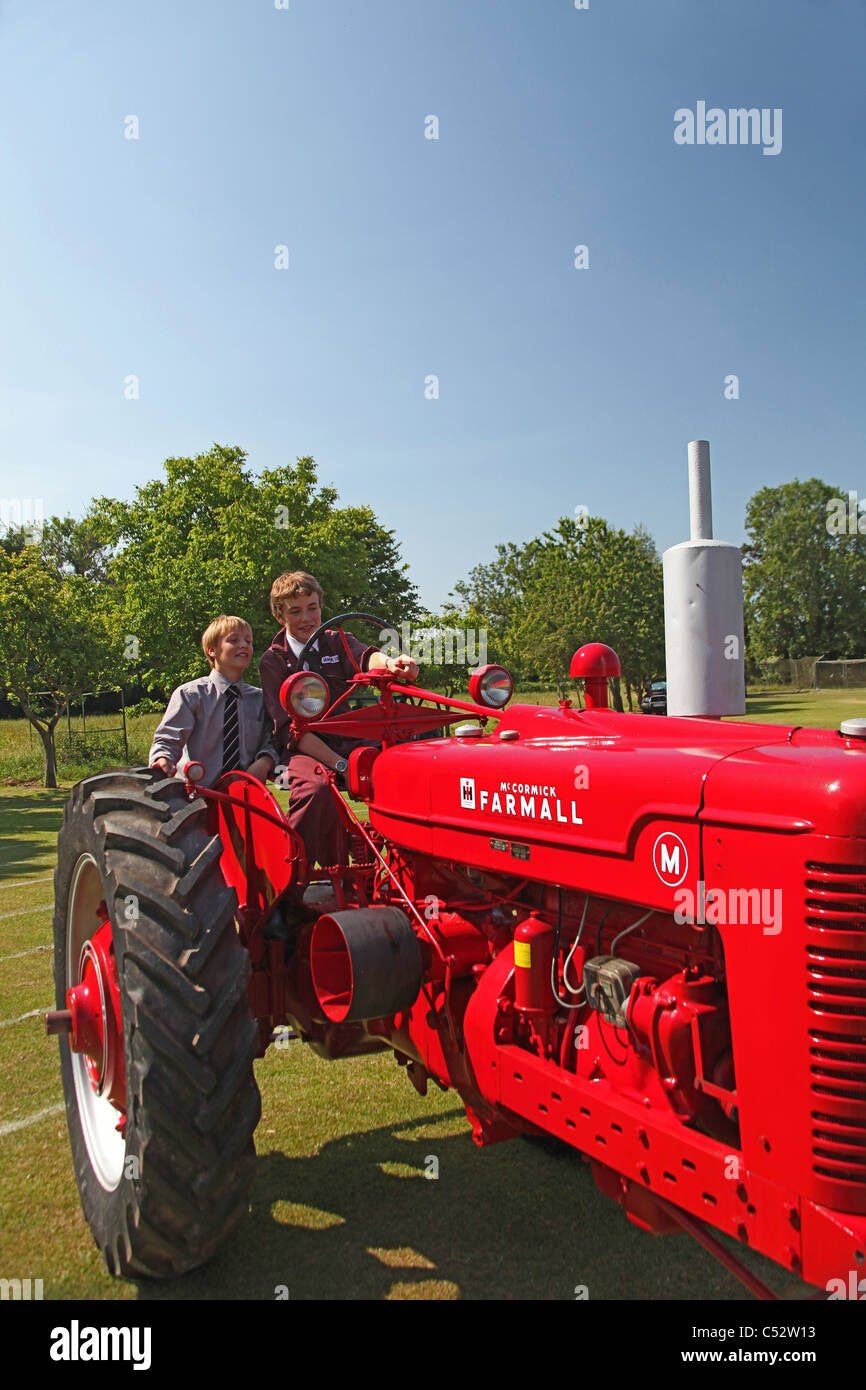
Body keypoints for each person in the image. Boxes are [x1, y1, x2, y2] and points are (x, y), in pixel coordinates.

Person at [259, 572, 417, 893]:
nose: (306, 618)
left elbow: (365, 657)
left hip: (345, 739)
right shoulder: (274, 661)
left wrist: (393, 662)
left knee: (410, 768)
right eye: (295, 611)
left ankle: (409, 872)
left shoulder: (333, 640)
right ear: (279, 615)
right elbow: (292, 731)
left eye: (312, 608)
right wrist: (341, 766)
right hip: (301, 749)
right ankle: (288, 884)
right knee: (316, 790)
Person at [149, 616, 277, 787]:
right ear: (212, 650)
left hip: (244, 794)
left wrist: (265, 760)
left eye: (248, 641)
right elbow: (169, 738)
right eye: (233, 640)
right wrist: (162, 758)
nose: (244, 645)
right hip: (195, 794)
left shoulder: (261, 699)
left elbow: (272, 740)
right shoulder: (190, 695)